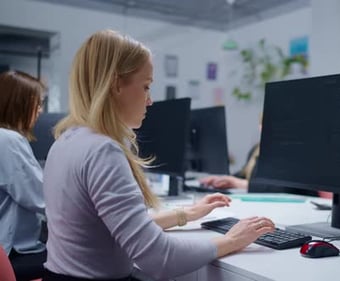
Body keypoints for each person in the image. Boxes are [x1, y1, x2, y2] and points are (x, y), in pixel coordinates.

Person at [42, 29, 275, 281]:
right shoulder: (101, 150)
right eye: (146, 86)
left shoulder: (67, 140)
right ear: (116, 84)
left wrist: (186, 214)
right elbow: (159, 259)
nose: (150, 100)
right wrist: (231, 240)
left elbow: (119, 228)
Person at [0, 70, 46, 280]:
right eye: (37, 104)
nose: (40, 111)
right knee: (80, 260)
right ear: (20, 104)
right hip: (13, 253)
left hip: (9, 250)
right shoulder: (8, 140)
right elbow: (40, 197)